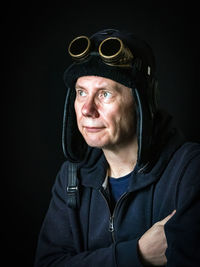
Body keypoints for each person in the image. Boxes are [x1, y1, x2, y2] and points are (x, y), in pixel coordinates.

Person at [34, 29, 200, 266]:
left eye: (105, 94)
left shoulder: (189, 171)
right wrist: (137, 253)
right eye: (81, 93)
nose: (87, 110)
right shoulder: (72, 176)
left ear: (142, 102)